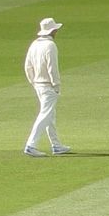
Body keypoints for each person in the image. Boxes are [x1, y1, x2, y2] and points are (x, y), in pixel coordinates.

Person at [23, 18, 71, 157]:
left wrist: (33, 82)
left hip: (38, 84)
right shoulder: (50, 45)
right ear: (52, 31)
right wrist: (56, 85)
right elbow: (52, 67)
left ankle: (56, 145)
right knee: (45, 114)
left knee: (50, 114)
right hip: (48, 85)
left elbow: (27, 66)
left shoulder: (34, 44)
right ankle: (31, 145)